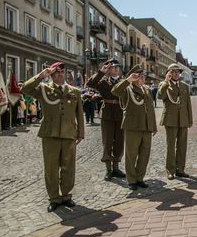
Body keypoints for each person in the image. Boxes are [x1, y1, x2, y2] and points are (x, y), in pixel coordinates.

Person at [21, 62, 84, 212]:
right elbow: (25, 88)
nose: (59, 74)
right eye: (56, 72)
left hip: (69, 133)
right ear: (51, 74)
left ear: (65, 73)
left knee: (69, 166)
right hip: (50, 134)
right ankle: (54, 198)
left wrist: (81, 132)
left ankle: (67, 196)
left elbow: (79, 114)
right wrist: (41, 76)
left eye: (62, 72)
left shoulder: (75, 91)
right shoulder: (43, 89)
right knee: (51, 167)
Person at [111, 64, 157, 191]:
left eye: (142, 76)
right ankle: (131, 180)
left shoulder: (146, 89)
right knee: (131, 154)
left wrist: (153, 126)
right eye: (138, 76)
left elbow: (151, 109)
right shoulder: (127, 89)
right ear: (133, 77)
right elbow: (114, 91)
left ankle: (139, 178)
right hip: (133, 126)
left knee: (144, 154)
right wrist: (128, 81)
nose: (142, 78)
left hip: (146, 127)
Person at [86, 59, 126, 181]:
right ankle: (108, 169)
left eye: (117, 67)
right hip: (107, 114)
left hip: (120, 113)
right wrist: (101, 72)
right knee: (107, 141)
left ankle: (116, 167)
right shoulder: (103, 82)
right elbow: (90, 84)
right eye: (112, 68)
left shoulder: (124, 83)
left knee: (119, 141)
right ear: (108, 70)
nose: (115, 69)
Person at [158, 63, 193, 180]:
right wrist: (166, 82)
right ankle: (170, 170)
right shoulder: (164, 85)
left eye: (177, 71)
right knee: (171, 146)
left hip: (183, 119)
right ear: (169, 73)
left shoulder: (185, 86)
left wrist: (190, 120)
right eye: (172, 71)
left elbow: (188, 104)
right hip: (170, 120)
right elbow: (160, 96)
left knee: (182, 146)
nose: (175, 73)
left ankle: (180, 169)